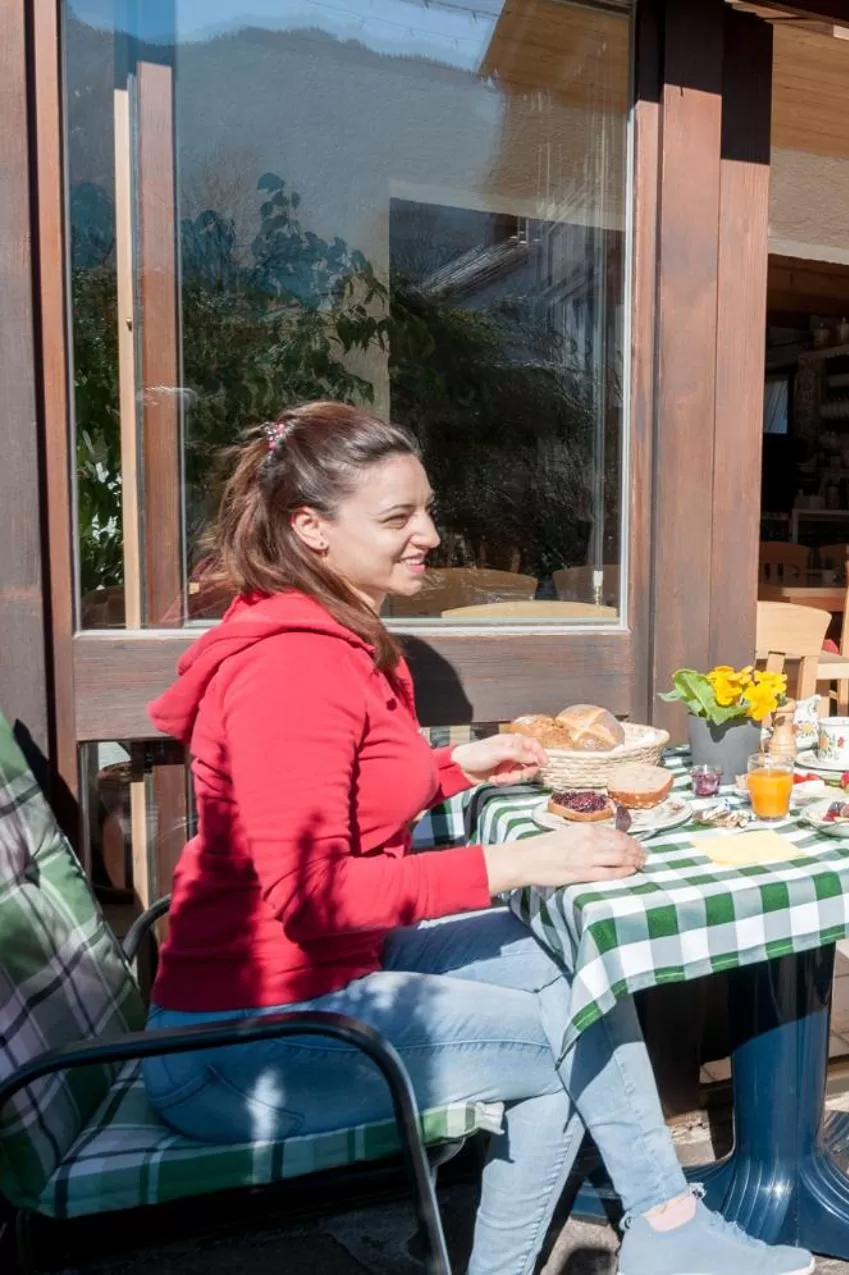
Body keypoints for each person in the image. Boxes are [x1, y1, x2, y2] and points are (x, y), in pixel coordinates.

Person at [142, 401, 814, 1275]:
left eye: (424, 508)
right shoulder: (292, 667)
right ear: (309, 528)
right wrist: (518, 860)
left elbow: (348, 793)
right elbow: (312, 896)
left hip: (329, 970)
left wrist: (455, 769)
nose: (428, 532)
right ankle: (649, 1228)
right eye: (396, 517)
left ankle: (663, 1225)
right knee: (568, 1040)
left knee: (572, 956)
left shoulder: (335, 635)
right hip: (241, 1041)